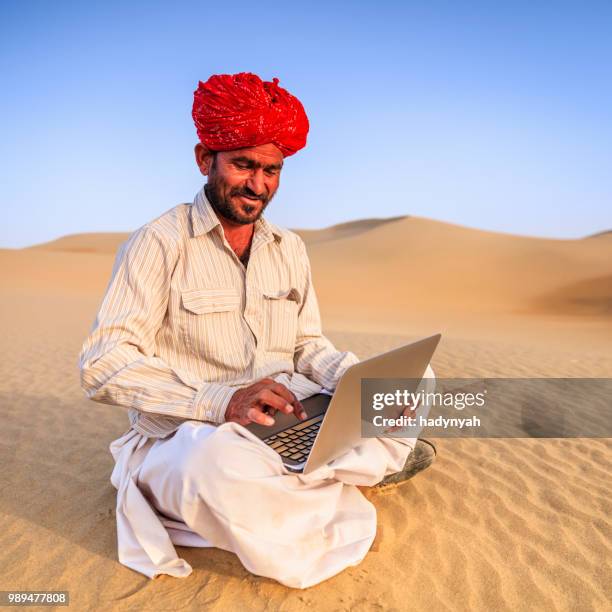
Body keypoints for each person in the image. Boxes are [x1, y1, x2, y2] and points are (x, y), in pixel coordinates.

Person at [78, 72, 436, 589]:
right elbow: (102, 364)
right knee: (212, 465)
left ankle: (315, 466)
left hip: (287, 415)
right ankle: (345, 473)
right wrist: (222, 401)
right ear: (206, 159)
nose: (258, 184)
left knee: (420, 378)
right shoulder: (158, 243)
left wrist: (361, 378)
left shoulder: (288, 248)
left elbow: (307, 345)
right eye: (243, 164)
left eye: (272, 169)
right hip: (192, 436)